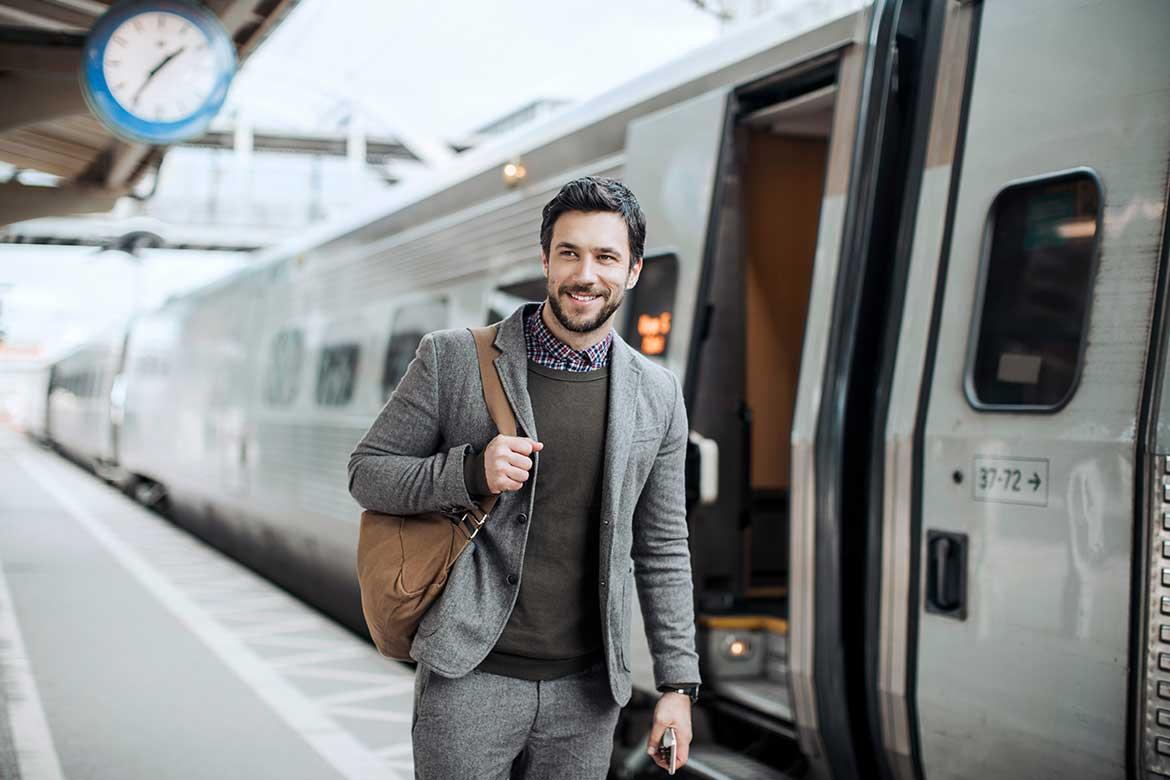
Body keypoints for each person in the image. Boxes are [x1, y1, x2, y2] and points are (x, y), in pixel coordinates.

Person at [347, 176, 701, 779]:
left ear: (633, 270)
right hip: (470, 676)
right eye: (570, 253)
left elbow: (663, 545)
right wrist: (468, 470)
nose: (585, 274)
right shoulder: (453, 359)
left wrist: (678, 683)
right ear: (545, 260)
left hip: (588, 692)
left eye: (606, 257)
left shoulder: (658, 395)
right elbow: (367, 474)